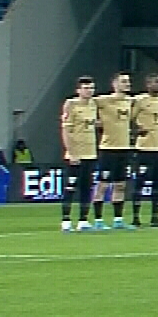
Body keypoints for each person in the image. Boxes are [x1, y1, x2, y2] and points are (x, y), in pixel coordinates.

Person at [92, 72, 138, 230]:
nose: (127, 84)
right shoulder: (104, 100)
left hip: (124, 149)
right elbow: (85, 104)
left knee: (120, 185)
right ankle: (98, 220)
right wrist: (94, 122)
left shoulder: (131, 101)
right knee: (103, 185)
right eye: (123, 81)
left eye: (128, 81)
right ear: (114, 84)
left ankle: (118, 219)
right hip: (108, 149)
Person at [129, 73, 158, 228]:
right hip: (144, 148)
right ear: (148, 84)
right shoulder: (139, 100)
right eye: (156, 82)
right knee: (139, 182)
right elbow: (130, 119)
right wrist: (136, 130)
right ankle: (135, 217)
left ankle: (155, 217)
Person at [58, 77, 100, 232]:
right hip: (75, 155)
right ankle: (66, 220)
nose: (89, 91)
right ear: (78, 90)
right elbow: (65, 130)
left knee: (87, 187)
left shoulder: (93, 105)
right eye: (86, 88)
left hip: (90, 153)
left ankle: (83, 220)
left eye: (91, 88)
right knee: (70, 187)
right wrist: (71, 152)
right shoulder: (71, 105)